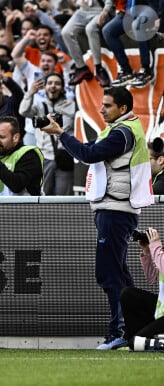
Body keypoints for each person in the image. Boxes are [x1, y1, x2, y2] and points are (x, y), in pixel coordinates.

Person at [41, 87, 153, 350]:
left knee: (109, 273)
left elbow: (88, 155)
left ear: (122, 109)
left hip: (115, 210)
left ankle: (120, 331)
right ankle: (132, 330)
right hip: (116, 208)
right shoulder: (123, 129)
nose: (101, 110)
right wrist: (63, 136)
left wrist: (60, 133)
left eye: (107, 106)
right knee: (119, 273)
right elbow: (89, 148)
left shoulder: (121, 133)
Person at [19, 73, 75, 195]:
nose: (53, 86)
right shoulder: (39, 106)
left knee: (64, 198)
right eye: (50, 83)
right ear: (45, 87)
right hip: (45, 158)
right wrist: (30, 93)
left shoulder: (71, 106)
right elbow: (23, 111)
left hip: (65, 156)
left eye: (57, 83)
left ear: (62, 88)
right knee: (43, 196)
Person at [122, 227, 164, 350]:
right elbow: (152, 278)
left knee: (136, 343)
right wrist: (147, 251)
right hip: (160, 312)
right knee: (129, 294)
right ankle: (135, 340)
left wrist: (155, 245)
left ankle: (138, 342)